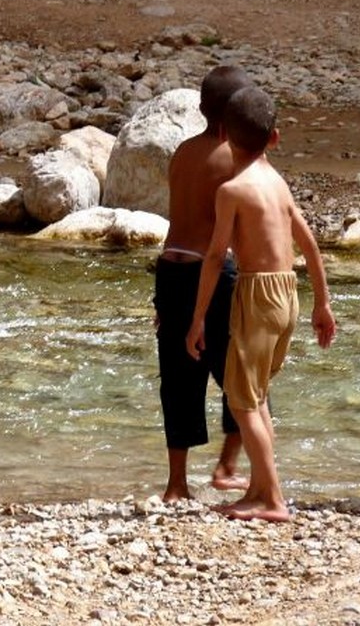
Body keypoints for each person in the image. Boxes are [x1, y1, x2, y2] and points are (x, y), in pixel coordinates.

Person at [186, 86, 336, 522]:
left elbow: (215, 258)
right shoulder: (278, 184)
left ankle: (274, 501)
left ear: (223, 138)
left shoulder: (232, 190)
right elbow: (310, 247)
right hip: (287, 292)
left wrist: (197, 318)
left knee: (241, 401)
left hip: (256, 293)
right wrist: (322, 304)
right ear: (275, 138)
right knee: (258, 395)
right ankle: (258, 488)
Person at [153, 64, 253, 502]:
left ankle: (176, 483)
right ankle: (227, 466)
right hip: (207, 272)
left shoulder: (182, 151)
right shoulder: (233, 159)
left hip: (170, 268)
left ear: (200, 108)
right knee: (239, 373)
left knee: (177, 377)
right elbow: (236, 231)